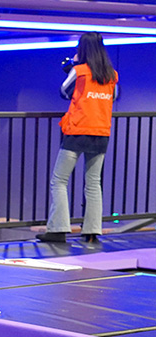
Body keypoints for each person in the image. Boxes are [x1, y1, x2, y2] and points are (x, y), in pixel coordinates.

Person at [39, 32, 118, 244]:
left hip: (77, 131)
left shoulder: (80, 70)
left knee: (59, 181)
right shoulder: (111, 75)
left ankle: (58, 230)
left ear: (82, 49)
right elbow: (114, 96)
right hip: (101, 132)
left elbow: (64, 92)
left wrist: (72, 67)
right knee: (93, 183)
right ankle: (92, 232)